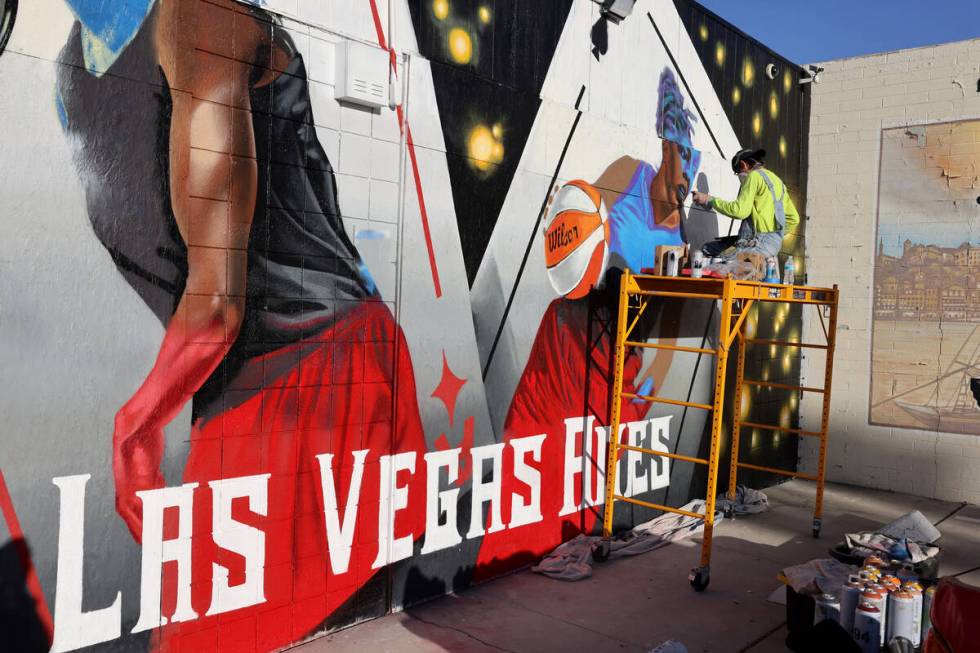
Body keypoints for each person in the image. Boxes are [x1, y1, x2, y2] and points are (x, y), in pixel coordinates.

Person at [56, 0, 427, 648]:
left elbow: (218, 299)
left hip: (319, 368)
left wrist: (134, 422)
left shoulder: (201, 16)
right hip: (241, 391)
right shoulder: (76, 70)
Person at [474, 68, 700, 579]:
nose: (686, 171)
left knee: (590, 467)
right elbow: (580, 221)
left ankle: (580, 535)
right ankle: (511, 552)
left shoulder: (681, 225)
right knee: (532, 456)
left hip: (622, 344)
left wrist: (657, 365)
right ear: (665, 145)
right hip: (572, 331)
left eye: (691, 156)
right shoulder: (630, 172)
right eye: (682, 151)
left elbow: (668, 299)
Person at [692, 147, 800, 260]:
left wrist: (710, 200)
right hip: (772, 246)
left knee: (710, 252)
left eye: (738, 173)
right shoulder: (778, 182)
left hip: (756, 245)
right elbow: (794, 219)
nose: (739, 176)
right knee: (715, 247)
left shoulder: (754, 176)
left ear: (743, 165)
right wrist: (773, 235)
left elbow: (739, 211)